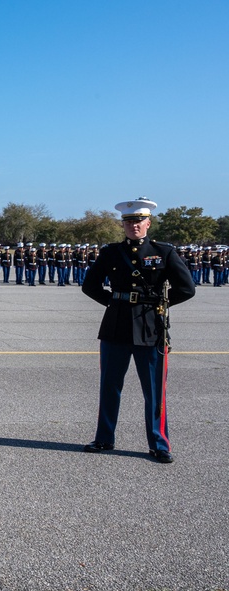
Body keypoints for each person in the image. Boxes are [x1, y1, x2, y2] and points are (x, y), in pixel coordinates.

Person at [81, 197, 195, 463]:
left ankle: (159, 444)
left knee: (154, 391)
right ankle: (104, 438)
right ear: (123, 224)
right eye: (129, 221)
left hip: (150, 327)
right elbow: (90, 285)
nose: (134, 226)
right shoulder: (111, 252)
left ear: (148, 223)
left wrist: (160, 304)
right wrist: (114, 301)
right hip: (116, 326)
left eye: (138, 221)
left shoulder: (164, 252)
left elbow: (187, 288)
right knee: (109, 386)